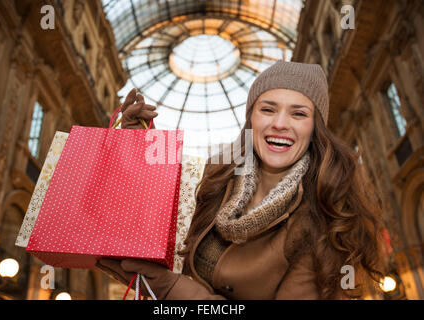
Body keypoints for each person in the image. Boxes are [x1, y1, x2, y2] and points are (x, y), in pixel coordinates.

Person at [96, 61, 389, 300]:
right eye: (268, 109)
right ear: (251, 120)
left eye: (298, 113)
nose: (280, 123)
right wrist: (136, 144)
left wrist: (172, 290)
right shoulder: (218, 178)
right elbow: (160, 221)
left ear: (315, 129)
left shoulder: (324, 219)